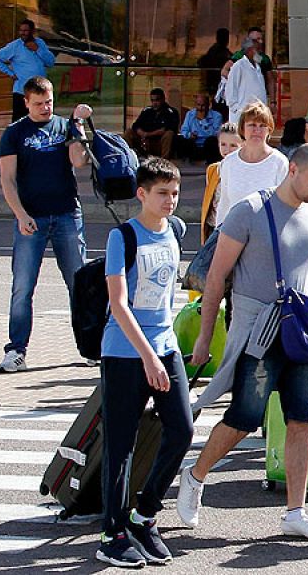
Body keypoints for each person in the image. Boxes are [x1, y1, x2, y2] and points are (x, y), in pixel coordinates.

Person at [181, 144, 308, 541]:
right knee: (245, 416)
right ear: (292, 170)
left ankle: (295, 512)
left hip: (302, 334)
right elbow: (216, 277)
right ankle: (195, 475)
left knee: (302, 419)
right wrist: (204, 337)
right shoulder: (250, 211)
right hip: (260, 333)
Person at [95, 157, 194, 568]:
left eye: (174, 193)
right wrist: (148, 356)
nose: (170, 201)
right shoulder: (122, 238)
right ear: (142, 195)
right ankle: (112, 533)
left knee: (182, 429)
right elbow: (118, 304)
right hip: (124, 352)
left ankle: (144, 514)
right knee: (121, 444)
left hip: (164, 345)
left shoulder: (173, 231)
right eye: (161, 194)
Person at [0, 77, 92, 373]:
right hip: (32, 218)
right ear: (26, 102)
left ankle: (92, 346)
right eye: (38, 103)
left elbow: (79, 162)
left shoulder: (64, 126)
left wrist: (77, 127)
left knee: (80, 284)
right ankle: (16, 350)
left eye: (48, 102)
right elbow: (7, 179)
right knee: (23, 287)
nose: (44, 108)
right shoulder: (14, 133)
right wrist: (20, 214)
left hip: (66, 214)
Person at [213, 101, 289, 228]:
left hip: (267, 235)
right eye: (252, 125)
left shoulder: (279, 162)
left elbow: (286, 205)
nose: (257, 130)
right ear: (242, 128)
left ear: (269, 130)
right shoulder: (229, 163)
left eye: (262, 125)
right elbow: (224, 204)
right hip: (233, 235)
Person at [0, 19, 56, 122]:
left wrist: (37, 49)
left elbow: (50, 62)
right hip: (22, 91)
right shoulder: (15, 46)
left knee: (40, 120)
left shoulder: (40, 43)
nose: (23, 33)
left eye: (26, 30)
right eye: (21, 30)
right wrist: (10, 73)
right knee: (19, 123)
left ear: (32, 31)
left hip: (40, 91)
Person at [200, 122, 242, 242]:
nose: (227, 150)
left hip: (236, 229)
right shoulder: (213, 170)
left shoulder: (245, 171)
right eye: (223, 144)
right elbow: (209, 201)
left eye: (233, 145)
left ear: (243, 145)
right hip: (214, 226)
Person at [217, 32, 269, 114]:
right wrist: (238, 110)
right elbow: (230, 92)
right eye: (257, 50)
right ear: (249, 51)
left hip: (258, 114)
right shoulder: (238, 66)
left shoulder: (258, 68)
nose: (259, 54)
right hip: (242, 115)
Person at [128, 88, 180, 160]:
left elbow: (168, 129)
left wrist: (148, 134)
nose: (154, 103)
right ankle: (128, 158)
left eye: (157, 100)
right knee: (129, 132)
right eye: (152, 100)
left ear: (163, 99)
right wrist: (142, 133)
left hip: (159, 144)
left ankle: (164, 163)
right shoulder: (147, 111)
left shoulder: (171, 112)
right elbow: (136, 125)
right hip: (145, 142)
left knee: (169, 134)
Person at [176, 93, 223, 163]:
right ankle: (186, 161)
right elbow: (184, 130)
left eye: (203, 105)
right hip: (194, 144)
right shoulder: (190, 114)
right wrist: (190, 135)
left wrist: (203, 121)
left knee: (212, 141)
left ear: (208, 105)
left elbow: (216, 134)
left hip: (207, 145)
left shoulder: (217, 116)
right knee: (180, 139)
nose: (200, 108)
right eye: (198, 105)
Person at [196, 28, 231, 110]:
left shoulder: (225, 52)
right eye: (224, 37)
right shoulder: (215, 51)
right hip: (215, 86)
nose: (226, 40)